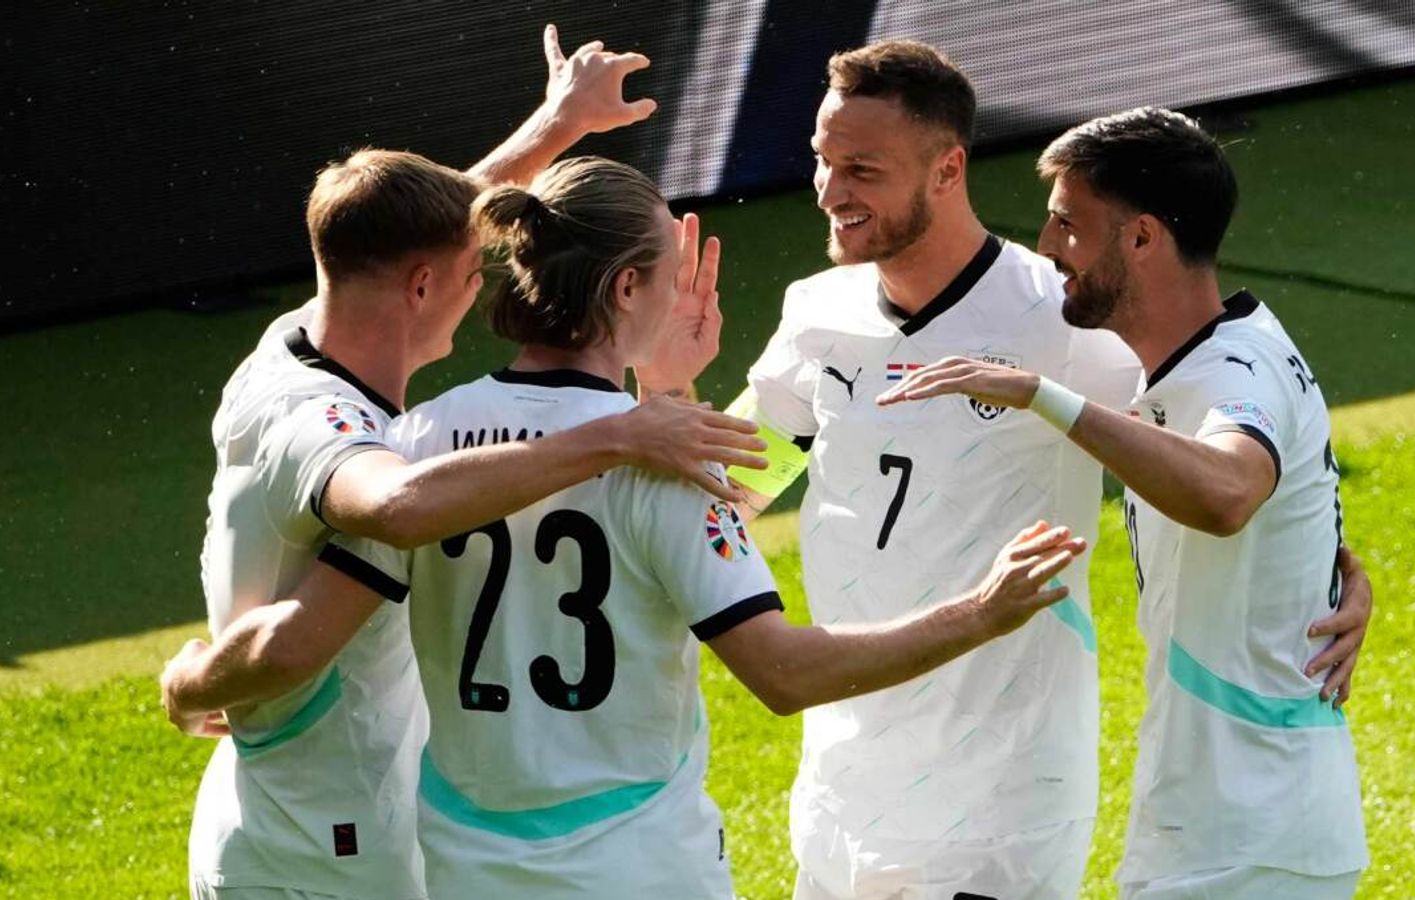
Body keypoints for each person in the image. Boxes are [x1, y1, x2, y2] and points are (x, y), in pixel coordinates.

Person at [640, 40, 1372, 900]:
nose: (831, 192)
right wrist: (669, 386)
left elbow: (1233, 452)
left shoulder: (1069, 321)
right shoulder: (817, 315)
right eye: (821, 161)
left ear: (947, 170)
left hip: (1000, 807)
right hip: (844, 791)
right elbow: (724, 499)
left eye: (862, 169)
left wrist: (1330, 572)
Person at [291, 154, 1093, 899]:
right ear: (629, 290)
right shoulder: (670, 466)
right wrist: (981, 610)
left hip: (463, 859)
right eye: (672, 276)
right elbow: (784, 674)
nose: (686, 295)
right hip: (640, 862)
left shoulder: (416, 440)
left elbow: (321, 625)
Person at [165, 27, 768, 900]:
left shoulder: (289, 343)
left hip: (277, 812)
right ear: (419, 286)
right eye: (468, 269)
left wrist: (554, 127)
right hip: (332, 844)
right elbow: (393, 515)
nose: (486, 280)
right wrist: (630, 426)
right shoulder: (344, 434)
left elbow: (438, 223)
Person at [878, 106, 1370, 898]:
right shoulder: (1189, 363)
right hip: (1220, 826)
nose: (1048, 248)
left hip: (1253, 837)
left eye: (1068, 225)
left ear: (1141, 238)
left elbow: (1229, 492)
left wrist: (1042, 396)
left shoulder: (1236, 370)